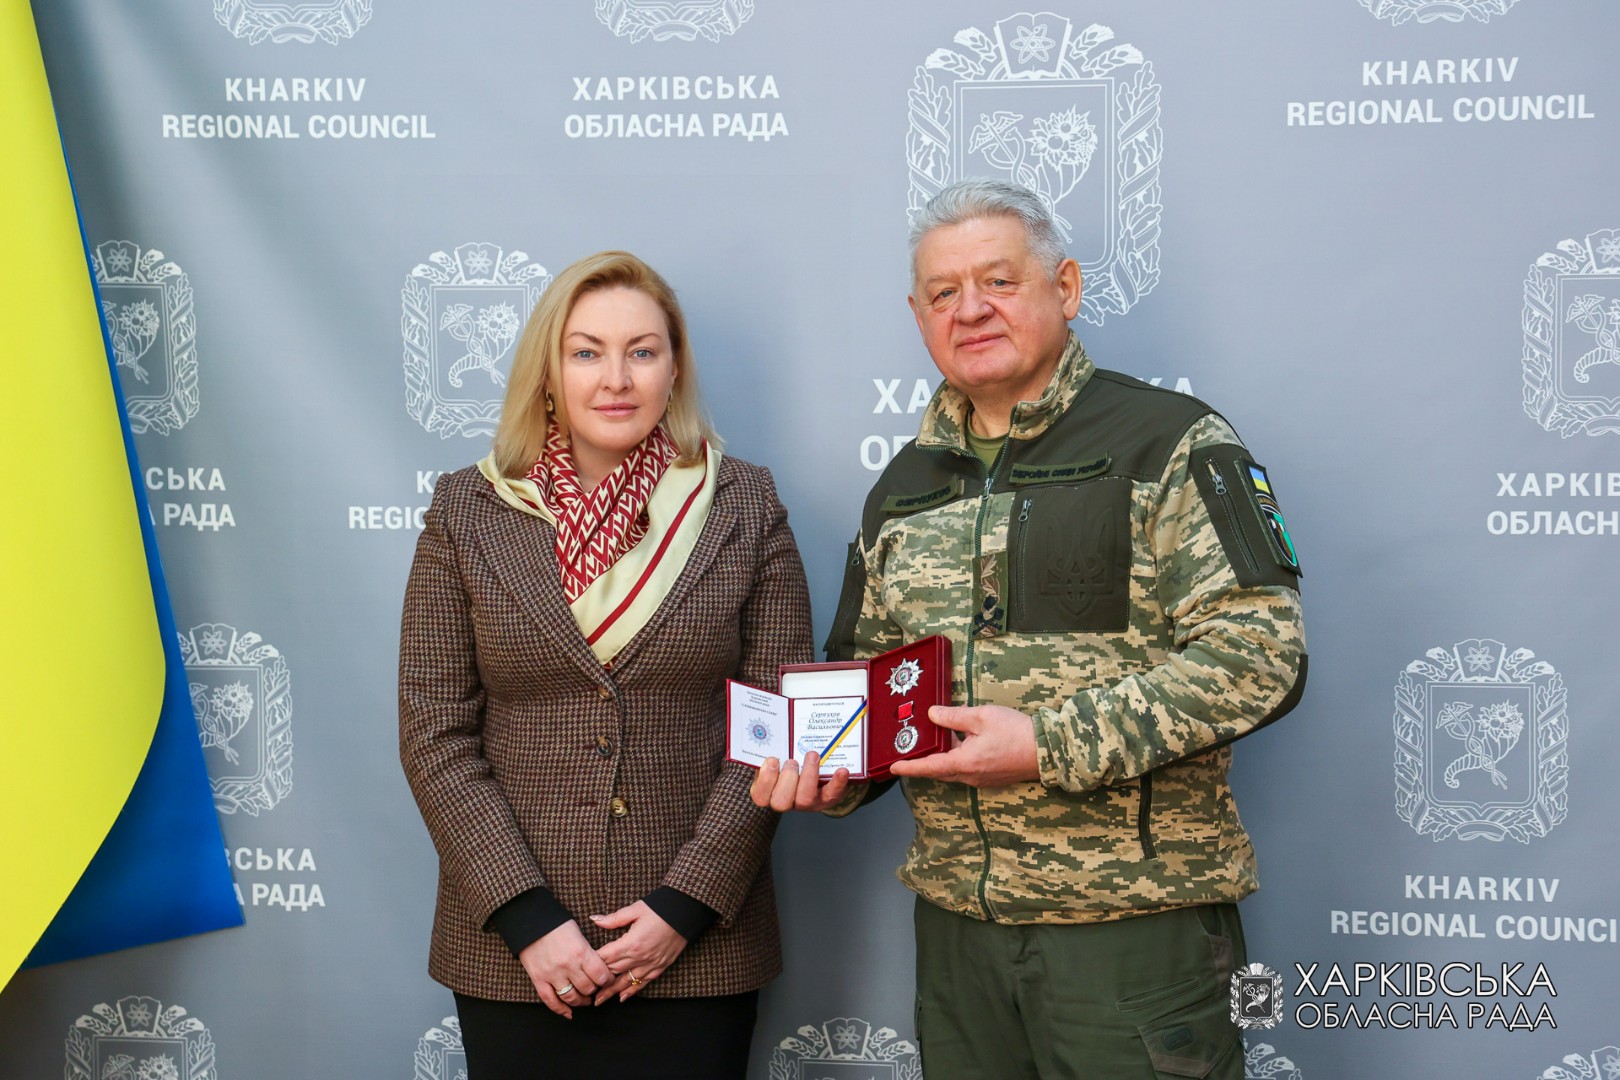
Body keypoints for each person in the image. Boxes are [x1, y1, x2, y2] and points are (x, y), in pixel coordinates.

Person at [753, 180, 1306, 1080]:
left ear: (1067, 288)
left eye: (999, 282)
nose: (969, 309)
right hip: (960, 939)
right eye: (942, 293)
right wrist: (830, 777)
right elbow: (873, 686)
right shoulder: (902, 488)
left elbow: (1262, 656)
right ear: (918, 314)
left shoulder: (1171, 443)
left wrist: (1046, 744)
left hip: (1131, 931)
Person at [400, 251, 812, 1079]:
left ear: (674, 369)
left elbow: (779, 723)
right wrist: (527, 918)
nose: (615, 378)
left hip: (696, 949)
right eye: (586, 351)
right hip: (516, 955)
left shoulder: (743, 504)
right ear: (548, 373)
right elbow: (434, 735)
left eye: (643, 351)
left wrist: (681, 907)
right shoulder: (467, 511)